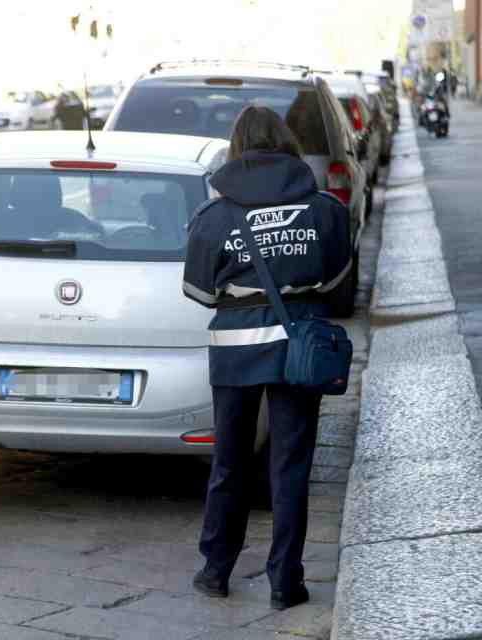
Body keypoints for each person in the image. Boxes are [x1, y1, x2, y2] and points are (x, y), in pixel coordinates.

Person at [182, 105, 351, 611]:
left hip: (235, 353)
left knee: (229, 463)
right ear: (287, 145)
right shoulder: (323, 209)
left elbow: (199, 291)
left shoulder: (213, 217)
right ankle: (285, 582)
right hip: (299, 347)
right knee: (290, 466)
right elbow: (336, 279)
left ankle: (216, 570)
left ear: (236, 149)